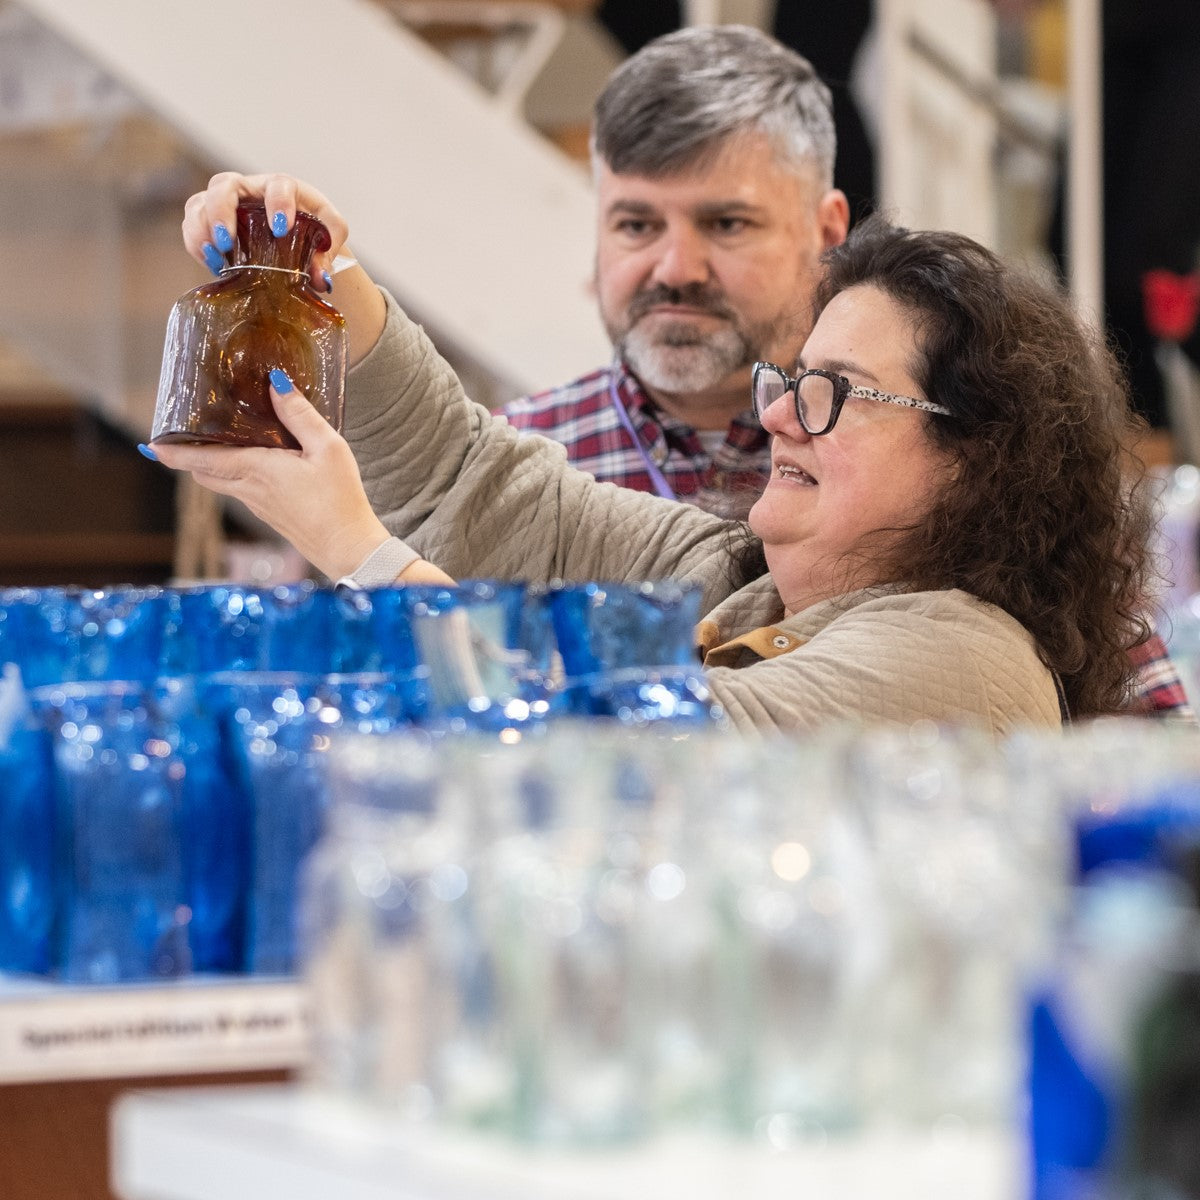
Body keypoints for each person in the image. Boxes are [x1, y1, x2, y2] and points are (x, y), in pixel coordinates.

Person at [146, 172, 1157, 735]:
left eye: (833, 393)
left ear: (977, 456)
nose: (778, 417)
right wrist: (332, 278)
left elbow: (633, 751)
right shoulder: (737, 582)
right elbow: (470, 477)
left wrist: (362, 554)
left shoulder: (967, 660)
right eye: (790, 377)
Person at [501, 25, 849, 520]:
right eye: (638, 224)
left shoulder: (913, 470)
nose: (676, 270)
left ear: (827, 234)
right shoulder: (507, 475)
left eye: (727, 223)